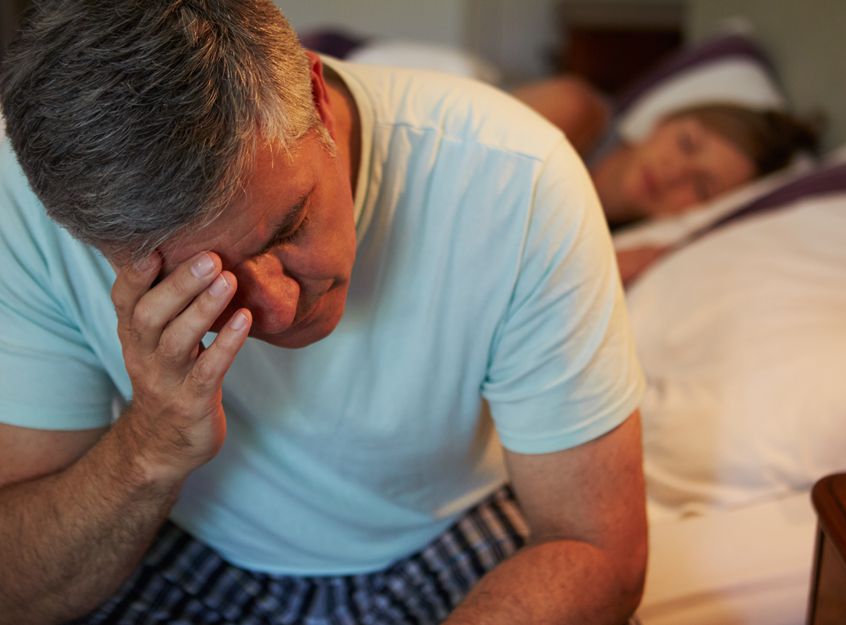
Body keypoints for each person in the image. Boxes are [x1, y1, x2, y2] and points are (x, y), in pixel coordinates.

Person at [0, 2, 646, 624]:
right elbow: (15, 588)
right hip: (180, 541)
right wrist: (151, 446)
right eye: (204, 281)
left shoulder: (516, 178)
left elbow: (597, 547)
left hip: (441, 529)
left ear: (317, 100)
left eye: (290, 224)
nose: (279, 308)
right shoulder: (26, 201)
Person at [513, 76, 819, 285]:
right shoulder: (572, 113)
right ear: (665, 120)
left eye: (701, 186)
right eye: (686, 143)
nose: (673, 173)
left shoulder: (628, 249)